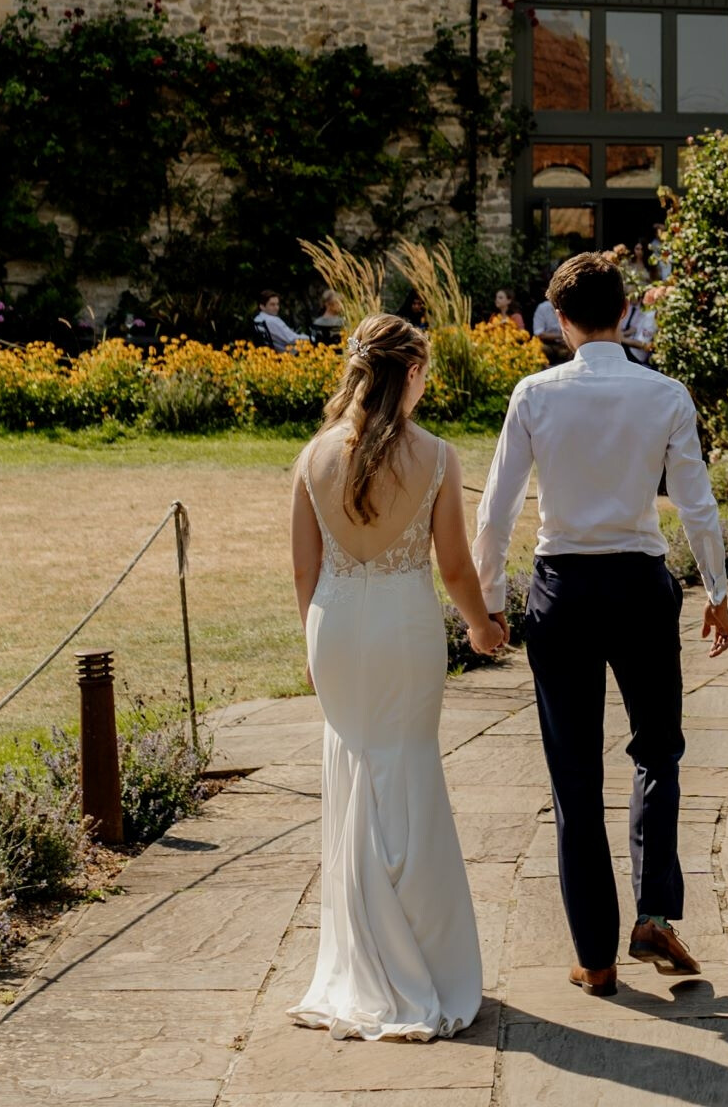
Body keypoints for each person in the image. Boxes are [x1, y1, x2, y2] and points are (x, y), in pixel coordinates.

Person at [472, 254, 728, 997]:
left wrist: (490, 601)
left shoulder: (533, 394)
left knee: (574, 779)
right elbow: (697, 504)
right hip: (642, 588)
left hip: (563, 591)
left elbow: (495, 511)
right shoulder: (666, 394)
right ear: (625, 314)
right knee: (658, 751)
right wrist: (716, 588)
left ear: (559, 321)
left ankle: (596, 958)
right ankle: (653, 912)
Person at [285, 313, 504, 1041]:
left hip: (336, 627)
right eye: (425, 372)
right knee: (408, 767)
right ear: (410, 373)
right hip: (406, 629)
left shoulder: (313, 457)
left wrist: (314, 646)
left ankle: (361, 961)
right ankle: (424, 966)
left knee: (354, 770)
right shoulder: (437, 457)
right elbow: (452, 566)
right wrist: (480, 624)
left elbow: (303, 570)